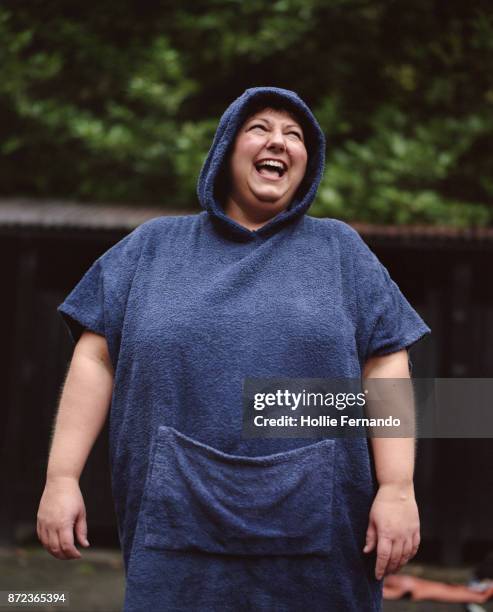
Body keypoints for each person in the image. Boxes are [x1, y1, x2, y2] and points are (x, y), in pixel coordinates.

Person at [37, 86, 431, 611]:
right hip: (174, 530)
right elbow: (95, 358)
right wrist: (61, 477)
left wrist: (398, 487)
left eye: (295, 135)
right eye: (260, 128)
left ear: (308, 165)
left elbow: (385, 364)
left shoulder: (340, 252)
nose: (280, 142)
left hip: (323, 536)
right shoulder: (152, 248)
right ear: (226, 148)